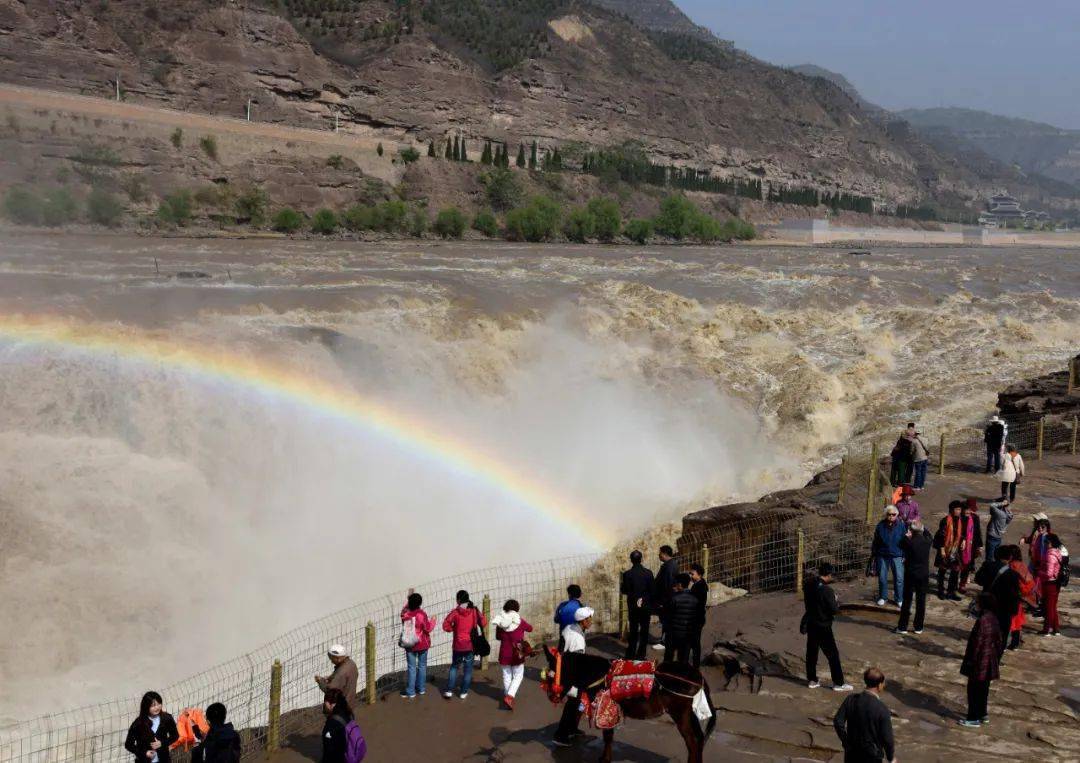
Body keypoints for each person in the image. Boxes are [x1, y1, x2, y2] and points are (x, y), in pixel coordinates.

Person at [803, 562, 852, 692]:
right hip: (823, 625)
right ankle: (838, 683)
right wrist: (835, 600)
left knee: (812, 652)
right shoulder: (827, 590)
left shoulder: (809, 584)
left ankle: (812, 679)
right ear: (829, 575)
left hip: (811, 623)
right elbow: (834, 609)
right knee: (833, 655)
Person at [958, 592, 1003, 727]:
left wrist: (971, 660)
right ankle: (983, 713)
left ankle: (973, 718)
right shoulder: (994, 618)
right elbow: (999, 640)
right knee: (984, 689)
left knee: (974, 690)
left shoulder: (982, 620)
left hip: (979, 660)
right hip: (990, 659)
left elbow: (976, 643)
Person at [833, 667, 896, 763]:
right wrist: (890, 758)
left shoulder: (851, 699)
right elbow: (887, 739)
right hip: (872, 756)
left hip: (852, 753)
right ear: (879, 685)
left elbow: (838, 721)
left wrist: (846, 742)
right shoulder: (882, 709)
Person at [553, 607, 594, 747]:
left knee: (576, 704)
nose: (591, 621)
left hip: (564, 670)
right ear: (583, 621)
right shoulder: (577, 639)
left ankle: (571, 729)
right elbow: (577, 662)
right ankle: (561, 735)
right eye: (589, 618)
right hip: (571, 676)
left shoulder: (568, 628)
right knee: (572, 705)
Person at [443, 589, 486, 699]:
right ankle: (463, 692)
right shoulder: (474, 611)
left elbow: (445, 625)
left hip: (458, 645)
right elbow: (484, 622)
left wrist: (453, 629)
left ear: (458, 600)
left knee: (454, 667)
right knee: (468, 669)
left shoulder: (455, 612)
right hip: (470, 645)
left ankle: (449, 690)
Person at [493, 599, 533, 710]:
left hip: (504, 653)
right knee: (518, 675)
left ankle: (508, 696)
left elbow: (498, 637)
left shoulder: (500, 622)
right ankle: (510, 697)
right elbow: (530, 628)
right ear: (516, 609)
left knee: (507, 676)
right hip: (517, 653)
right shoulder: (519, 621)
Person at [896, 519, 933, 634]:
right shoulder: (927, 541)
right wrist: (921, 525)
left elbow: (900, 543)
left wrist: (907, 535)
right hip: (923, 574)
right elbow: (928, 534)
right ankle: (918, 627)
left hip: (911, 573)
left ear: (911, 531)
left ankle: (902, 627)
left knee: (907, 600)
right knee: (921, 601)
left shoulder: (909, 542)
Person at [125, 692, 180, 763]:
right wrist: (144, 753)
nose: (157, 707)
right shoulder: (138, 723)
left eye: (159, 704)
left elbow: (175, 735)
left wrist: (162, 743)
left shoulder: (167, 718)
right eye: (153, 706)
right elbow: (129, 744)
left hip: (164, 759)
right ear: (146, 707)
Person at [400, 592, 435, 699]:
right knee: (422, 666)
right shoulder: (421, 614)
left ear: (409, 603)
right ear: (420, 603)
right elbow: (428, 628)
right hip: (423, 644)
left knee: (411, 668)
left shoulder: (405, 615)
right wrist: (433, 620)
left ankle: (411, 691)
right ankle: (421, 688)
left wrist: (408, 602)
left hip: (410, 644)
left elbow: (403, 611)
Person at [620, 550, 654, 659]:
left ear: (631, 560)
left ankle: (631, 653)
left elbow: (624, 590)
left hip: (633, 607)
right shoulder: (648, 573)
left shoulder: (627, 574)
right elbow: (652, 590)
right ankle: (641, 655)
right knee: (644, 631)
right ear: (641, 559)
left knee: (633, 631)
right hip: (645, 606)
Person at [871, 505, 905, 606]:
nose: (891, 516)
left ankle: (899, 599)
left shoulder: (901, 525)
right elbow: (876, 541)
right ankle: (883, 597)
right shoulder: (880, 526)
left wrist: (905, 554)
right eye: (889, 514)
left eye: (893, 514)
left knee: (899, 578)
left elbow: (905, 541)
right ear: (886, 515)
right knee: (882, 578)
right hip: (882, 555)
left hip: (897, 555)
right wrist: (874, 554)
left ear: (896, 515)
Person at [1006, 545, 1037, 651]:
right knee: (1017, 620)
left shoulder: (1012, 565)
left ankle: (1010, 642)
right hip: (1021, 596)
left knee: (1011, 620)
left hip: (1014, 595)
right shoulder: (1022, 565)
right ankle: (1016, 642)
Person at [663, 573, 699, 664]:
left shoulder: (674, 599)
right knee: (683, 660)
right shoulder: (695, 599)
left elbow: (668, 617)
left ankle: (667, 675)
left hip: (673, 635)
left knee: (668, 659)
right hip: (687, 635)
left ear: (679, 585)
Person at [934, 501, 964, 601]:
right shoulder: (945, 521)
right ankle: (941, 591)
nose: (959, 511)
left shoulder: (961, 520)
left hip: (955, 551)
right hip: (945, 549)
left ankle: (951, 592)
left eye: (960, 509)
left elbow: (962, 533)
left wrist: (963, 541)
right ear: (951, 510)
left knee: (955, 571)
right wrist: (942, 549)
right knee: (942, 571)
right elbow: (941, 536)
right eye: (957, 509)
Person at [315, 645, 359, 712]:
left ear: (338, 658)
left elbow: (329, 690)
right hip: (350, 701)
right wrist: (332, 677)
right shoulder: (351, 663)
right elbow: (343, 676)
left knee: (338, 721)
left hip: (340, 707)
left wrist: (320, 681)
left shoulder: (341, 674)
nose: (331, 661)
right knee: (349, 720)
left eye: (331, 658)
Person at [1036, 533, 1064, 637]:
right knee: (1052, 606)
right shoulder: (1057, 552)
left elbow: (1049, 573)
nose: (1045, 544)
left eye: (1046, 542)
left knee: (1048, 607)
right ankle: (1056, 629)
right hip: (1056, 583)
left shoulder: (1050, 555)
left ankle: (1047, 629)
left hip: (1050, 583)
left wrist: (1039, 572)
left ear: (1051, 543)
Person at [652, 545, 678, 650]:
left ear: (664, 554)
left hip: (666, 599)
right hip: (667, 598)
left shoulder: (669, 567)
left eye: (660, 553)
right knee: (666, 620)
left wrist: (664, 601)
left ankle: (665, 642)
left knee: (667, 620)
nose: (658, 555)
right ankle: (664, 640)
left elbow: (668, 585)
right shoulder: (670, 564)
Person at [320, 689, 355, 763]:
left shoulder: (331, 724)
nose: (324, 704)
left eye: (325, 701)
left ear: (332, 704)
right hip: (351, 753)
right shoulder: (348, 713)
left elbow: (328, 749)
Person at [957, 498, 983, 594]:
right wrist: (963, 539)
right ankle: (953, 584)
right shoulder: (959, 518)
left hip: (971, 546)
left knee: (967, 566)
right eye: (967, 509)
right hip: (959, 545)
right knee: (957, 565)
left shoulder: (975, 518)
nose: (969, 512)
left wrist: (979, 546)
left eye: (971, 510)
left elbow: (977, 532)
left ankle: (962, 584)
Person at [688, 563, 709, 667]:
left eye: (692, 574)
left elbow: (695, 604)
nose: (691, 576)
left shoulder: (699, 587)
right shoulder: (700, 585)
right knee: (694, 641)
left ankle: (695, 665)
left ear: (699, 574)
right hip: (698, 617)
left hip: (696, 618)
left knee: (694, 642)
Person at [554, 584, 583, 651]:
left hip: (564, 637)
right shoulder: (582, 607)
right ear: (580, 594)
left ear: (569, 594)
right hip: (578, 638)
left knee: (562, 658)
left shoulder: (562, 605)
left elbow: (556, 619)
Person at [984, 500, 1013, 567]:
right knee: (997, 557)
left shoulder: (1000, 514)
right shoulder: (1010, 515)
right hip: (999, 537)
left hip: (992, 536)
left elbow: (992, 506)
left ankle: (988, 571)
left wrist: (1001, 503)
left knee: (989, 558)